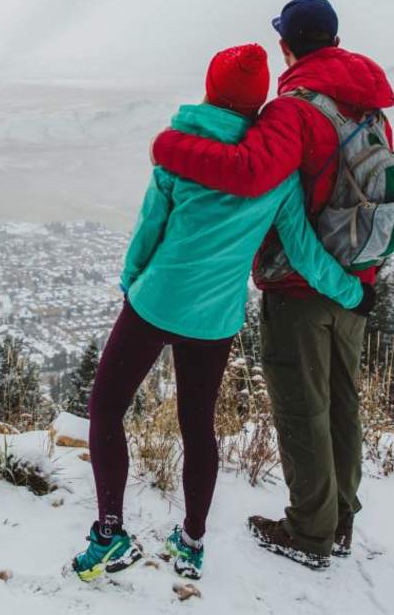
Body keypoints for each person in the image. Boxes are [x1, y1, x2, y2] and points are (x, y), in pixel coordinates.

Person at [72, 43, 373, 583]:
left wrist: (130, 284)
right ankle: (191, 541)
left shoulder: (183, 151)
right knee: (198, 428)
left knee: (106, 409)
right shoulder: (276, 175)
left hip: (155, 303)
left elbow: (148, 232)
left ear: (211, 90)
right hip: (215, 320)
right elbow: (303, 250)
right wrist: (351, 293)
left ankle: (110, 533)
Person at [149, 0, 394, 569]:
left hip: (301, 287)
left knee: (301, 407)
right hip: (356, 281)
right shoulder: (369, 107)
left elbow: (250, 174)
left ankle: (309, 533)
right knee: (341, 403)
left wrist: (170, 147)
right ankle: (339, 521)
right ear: (333, 42)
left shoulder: (295, 108)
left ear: (287, 45)